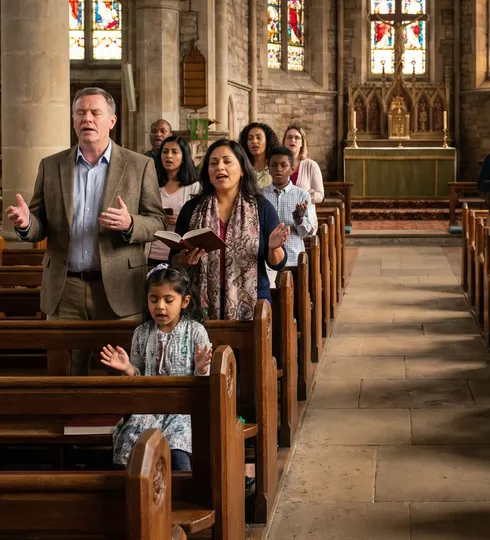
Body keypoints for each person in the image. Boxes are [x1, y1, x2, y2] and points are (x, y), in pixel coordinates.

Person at [5, 87, 166, 374]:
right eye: (80, 112)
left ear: (112, 121)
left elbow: (157, 222)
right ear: (73, 119)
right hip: (66, 287)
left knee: (121, 374)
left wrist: (131, 224)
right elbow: (40, 222)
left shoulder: (139, 165)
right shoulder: (51, 165)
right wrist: (27, 223)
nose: (87, 118)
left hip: (119, 285)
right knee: (65, 375)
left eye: (95, 113)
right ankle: (64, 420)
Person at [100, 265, 212, 471]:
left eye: (168, 300)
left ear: (184, 302)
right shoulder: (141, 333)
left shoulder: (196, 332)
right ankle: (128, 497)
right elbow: (138, 376)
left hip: (184, 410)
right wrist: (127, 369)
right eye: (154, 299)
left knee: (178, 452)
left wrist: (202, 368)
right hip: (147, 409)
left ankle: (181, 499)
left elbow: (205, 383)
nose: (160, 306)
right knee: (130, 451)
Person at [172, 139, 290, 319]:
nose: (220, 167)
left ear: (242, 169)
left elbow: (277, 263)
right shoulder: (192, 208)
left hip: (252, 308)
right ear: (207, 172)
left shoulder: (261, 208)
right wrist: (184, 259)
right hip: (198, 308)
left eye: (227, 161)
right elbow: (173, 259)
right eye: (213, 163)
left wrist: (274, 248)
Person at [148, 135, 202, 267]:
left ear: (184, 157)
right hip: (152, 251)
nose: (169, 156)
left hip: (178, 255)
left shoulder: (194, 187)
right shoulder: (152, 184)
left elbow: (200, 221)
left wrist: (181, 220)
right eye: (165, 152)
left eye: (174, 152)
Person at [263, 146, 318, 275]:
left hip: (293, 259)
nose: (278, 169)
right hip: (266, 260)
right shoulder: (260, 196)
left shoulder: (302, 196)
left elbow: (305, 233)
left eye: (284, 165)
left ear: (292, 170)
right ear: (268, 169)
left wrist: (298, 218)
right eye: (274, 165)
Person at [283, 125, 325, 204]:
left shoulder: (311, 165)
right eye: (289, 137)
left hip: (305, 213)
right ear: (284, 142)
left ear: (302, 143)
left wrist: (306, 196)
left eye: (297, 137)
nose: (293, 140)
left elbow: (320, 195)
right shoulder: (278, 164)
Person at [239, 122, 279, 190]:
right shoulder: (242, 168)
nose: (254, 141)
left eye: (259, 138)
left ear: (267, 141)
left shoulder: (276, 168)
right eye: (250, 138)